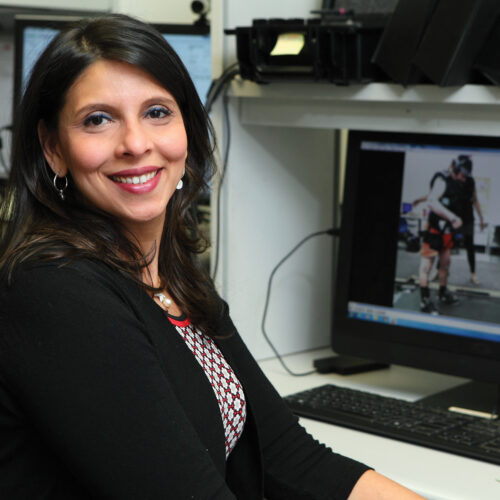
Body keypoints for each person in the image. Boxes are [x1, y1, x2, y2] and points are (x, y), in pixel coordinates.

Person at [0, 14, 424, 499]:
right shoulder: (55, 290)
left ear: (187, 127)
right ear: (54, 149)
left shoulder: (171, 276)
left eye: (158, 112)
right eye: (98, 120)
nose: (136, 144)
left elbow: (290, 458)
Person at [418, 156, 469, 315]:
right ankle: (425, 300)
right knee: (427, 266)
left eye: (466, 175)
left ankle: (442, 292)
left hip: (447, 231)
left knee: (445, 263)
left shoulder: (458, 182)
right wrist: (453, 217)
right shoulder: (442, 178)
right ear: (455, 167)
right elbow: (432, 201)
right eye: (463, 173)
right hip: (434, 230)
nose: (464, 178)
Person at [453, 156, 485, 285]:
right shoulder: (455, 178)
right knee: (446, 244)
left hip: (468, 218)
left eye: (467, 172)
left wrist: (481, 218)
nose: (465, 175)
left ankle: (473, 273)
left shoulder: (471, 181)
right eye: (464, 172)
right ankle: (438, 270)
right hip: (454, 217)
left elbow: (475, 200)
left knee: (470, 246)